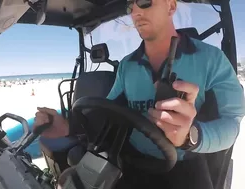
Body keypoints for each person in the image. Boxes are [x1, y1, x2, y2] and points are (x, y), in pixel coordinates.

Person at [34, 0, 245, 188]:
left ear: (171, 6)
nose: (135, 12)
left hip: (185, 166)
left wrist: (190, 136)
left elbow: (232, 123)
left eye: (144, 2)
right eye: (130, 5)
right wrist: (68, 127)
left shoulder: (211, 59)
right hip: (132, 161)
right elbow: (107, 112)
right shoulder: (127, 65)